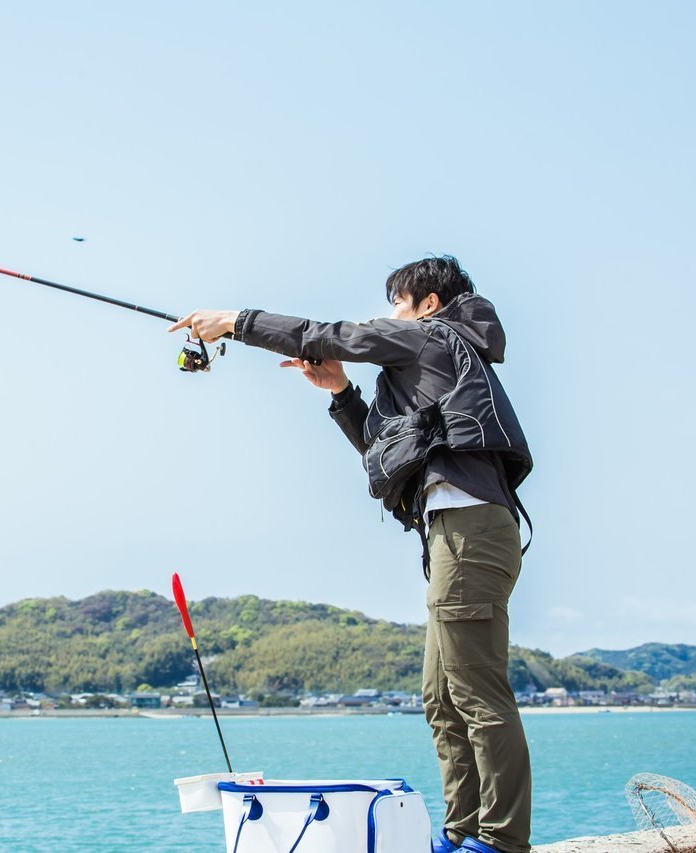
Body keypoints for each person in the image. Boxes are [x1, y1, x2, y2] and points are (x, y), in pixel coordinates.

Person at [169, 256, 533, 853]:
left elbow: (331, 334)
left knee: (476, 691)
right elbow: (390, 448)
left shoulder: (430, 336)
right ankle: (463, 831)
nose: (389, 314)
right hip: (453, 531)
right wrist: (340, 392)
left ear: (428, 304)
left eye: (396, 302)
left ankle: (499, 839)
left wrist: (235, 322)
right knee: (442, 698)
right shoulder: (432, 363)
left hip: (470, 529)